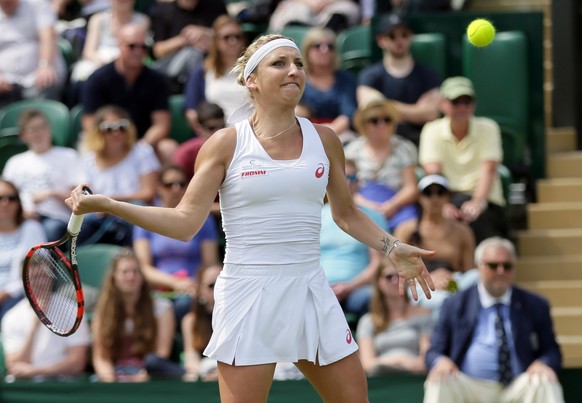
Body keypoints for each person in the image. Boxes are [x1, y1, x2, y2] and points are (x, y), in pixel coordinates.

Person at [67, 34, 435, 402]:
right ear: (251, 80)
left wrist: (392, 246)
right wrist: (111, 205)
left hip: (310, 288)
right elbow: (184, 223)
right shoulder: (225, 144)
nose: (294, 71)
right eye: (280, 63)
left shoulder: (325, 140)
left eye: (298, 63)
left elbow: (347, 214)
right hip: (248, 293)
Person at [424, 237, 565, 403]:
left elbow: (552, 350)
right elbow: (434, 351)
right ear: (478, 267)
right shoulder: (455, 303)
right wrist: (441, 361)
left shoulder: (534, 304)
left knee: (544, 380)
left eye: (507, 266)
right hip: (470, 385)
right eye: (493, 265)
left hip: (518, 385)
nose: (500, 271)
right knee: (441, 379)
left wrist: (544, 362)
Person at [418, 76, 508, 244]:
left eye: (466, 101)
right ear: (442, 104)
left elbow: (488, 170)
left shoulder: (489, 127)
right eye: (455, 101)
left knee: (480, 224)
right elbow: (433, 171)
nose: (461, 107)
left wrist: (478, 203)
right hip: (448, 198)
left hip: (485, 201)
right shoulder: (431, 130)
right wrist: (444, 204)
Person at [133, 164, 219, 325]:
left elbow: (210, 264)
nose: (176, 189)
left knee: (188, 304)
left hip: (195, 289)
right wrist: (175, 283)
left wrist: (199, 286)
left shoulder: (203, 219)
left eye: (181, 184)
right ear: (159, 188)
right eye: (169, 185)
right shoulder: (146, 218)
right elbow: (143, 268)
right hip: (158, 290)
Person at [82, 23, 174, 163]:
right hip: (107, 141)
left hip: (143, 143)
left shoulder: (157, 80)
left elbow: (161, 124)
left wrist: (142, 148)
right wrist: (114, 147)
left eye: (143, 47)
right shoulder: (98, 79)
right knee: (88, 152)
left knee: (168, 149)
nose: (138, 52)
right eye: (132, 46)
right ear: (119, 46)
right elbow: (90, 123)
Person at [91, 248, 183, 382]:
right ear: (114, 277)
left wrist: (142, 377)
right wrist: (111, 381)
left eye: (135, 271)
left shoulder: (162, 308)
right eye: (125, 272)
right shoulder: (102, 310)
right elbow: (101, 357)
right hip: (113, 375)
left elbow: (161, 354)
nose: (131, 277)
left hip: (148, 375)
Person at [79, 105, 161, 246]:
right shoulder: (89, 160)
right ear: (98, 132)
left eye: (121, 127)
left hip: (133, 212)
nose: (116, 132)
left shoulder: (142, 152)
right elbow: (85, 194)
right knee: (83, 225)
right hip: (101, 215)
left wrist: (112, 203)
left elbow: (148, 193)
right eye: (108, 128)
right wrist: (104, 206)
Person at [357, 13, 441, 146]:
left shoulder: (427, 74)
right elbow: (368, 110)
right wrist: (415, 111)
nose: (399, 40)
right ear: (381, 40)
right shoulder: (369, 75)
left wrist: (385, 106)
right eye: (392, 36)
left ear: (411, 37)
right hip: (382, 143)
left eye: (404, 34)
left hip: (420, 141)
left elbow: (430, 113)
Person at [345, 90, 419, 240]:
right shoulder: (352, 150)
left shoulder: (404, 147)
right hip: (361, 207)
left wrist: (392, 205)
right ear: (364, 124)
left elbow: (411, 187)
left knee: (409, 229)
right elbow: (345, 187)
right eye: (374, 120)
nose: (382, 124)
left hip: (398, 205)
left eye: (387, 119)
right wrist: (369, 206)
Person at [2, 109, 86, 241]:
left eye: (42, 127)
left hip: (55, 218)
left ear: (50, 129)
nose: (39, 133)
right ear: (23, 135)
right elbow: (5, 195)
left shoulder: (68, 156)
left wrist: (52, 193)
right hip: (21, 218)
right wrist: (22, 212)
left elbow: (81, 198)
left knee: (50, 230)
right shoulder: (15, 162)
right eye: (33, 129)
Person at [400, 174, 477, 313]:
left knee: (476, 277)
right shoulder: (405, 230)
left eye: (440, 192)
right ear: (419, 197)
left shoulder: (463, 231)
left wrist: (450, 283)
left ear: (448, 197)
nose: (434, 198)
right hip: (419, 286)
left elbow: (468, 271)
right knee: (443, 302)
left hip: (454, 285)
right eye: (428, 193)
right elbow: (397, 270)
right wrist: (430, 280)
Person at [320, 159, 386, 318]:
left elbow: (378, 263)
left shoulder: (374, 217)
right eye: (342, 177)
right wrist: (321, 287)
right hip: (320, 287)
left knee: (373, 298)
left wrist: (349, 286)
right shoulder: (317, 214)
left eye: (352, 177)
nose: (347, 182)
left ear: (359, 182)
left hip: (358, 288)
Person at [356, 258, 433, 375]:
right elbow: (367, 364)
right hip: (382, 379)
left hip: (414, 376)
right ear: (378, 282)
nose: (395, 281)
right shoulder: (367, 321)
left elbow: (426, 358)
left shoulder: (423, 314)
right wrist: (400, 360)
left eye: (400, 276)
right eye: (389, 277)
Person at [183, 14, 248, 131]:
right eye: (226, 37)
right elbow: (192, 113)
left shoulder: (253, 70)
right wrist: (209, 137)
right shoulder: (201, 72)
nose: (233, 41)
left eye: (237, 36)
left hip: (251, 135)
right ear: (216, 41)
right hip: (216, 136)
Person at [69, 0, 150, 91]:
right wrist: (103, 66)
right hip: (98, 65)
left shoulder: (142, 21)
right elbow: (88, 52)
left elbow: (139, 51)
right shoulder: (97, 19)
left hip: (127, 68)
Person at [1, 298, 90, 380]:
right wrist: (34, 326)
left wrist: (34, 371)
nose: (40, 282)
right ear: (21, 281)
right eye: (34, 279)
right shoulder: (11, 317)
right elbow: (14, 366)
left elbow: (77, 364)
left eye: (44, 279)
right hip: (25, 388)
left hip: (62, 387)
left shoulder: (71, 310)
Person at [150, 0, 228, 92]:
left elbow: (231, 34)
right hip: (174, 69)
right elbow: (158, 51)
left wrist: (205, 33)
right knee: (191, 54)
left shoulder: (215, 6)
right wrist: (185, 39)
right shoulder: (163, 11)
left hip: (211, 65)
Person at [0, 0, 67, 107]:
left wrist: (45, 65)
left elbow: (48, 36)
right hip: (7, 81)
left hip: (38, 78)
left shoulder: (37, 4)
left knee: (47, 84)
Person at [300, 27, 358, 145]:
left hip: (340, 134)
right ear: (307, 51)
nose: (324, 50)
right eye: (317, 46)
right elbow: (296, 113)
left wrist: (329, 132)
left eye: (330, 47)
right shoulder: (298, 79)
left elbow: (348, 114)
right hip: (305, 134)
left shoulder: (345, 79)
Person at [0, 179, 47, 321]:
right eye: (0, 198)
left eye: (11, 198)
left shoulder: (32, 229)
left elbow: (39, 271)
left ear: (19, 202)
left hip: (19, 295)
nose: (5, 203)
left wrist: (6, 292)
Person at [181, 263, 222, 382]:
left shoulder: (240, 318)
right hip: (205, 376)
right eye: (211, 285)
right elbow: (191, 360)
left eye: (222, 283)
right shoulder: (191, 321)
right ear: (200, 290)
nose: (218, 289)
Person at [172, 102, 226, 181]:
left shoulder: (235, 149)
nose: (218, 132)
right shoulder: (185, 153)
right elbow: (176, 186)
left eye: (222, 126)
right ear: (198, 128)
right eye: (211, 128)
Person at [268, 0, 361, 34]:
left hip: (333, 5)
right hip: (302, 5)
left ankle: (324, 41)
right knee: (294, 12)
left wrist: (327, 2)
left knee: (345, 9)